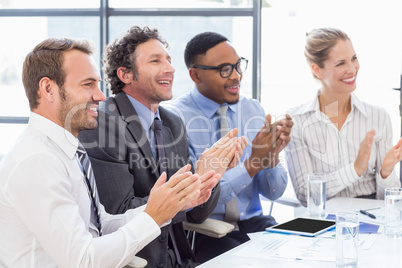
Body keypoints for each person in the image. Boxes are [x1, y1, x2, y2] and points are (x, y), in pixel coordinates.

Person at [0, 38, 212, 267]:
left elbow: (102, 224)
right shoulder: (37, 161)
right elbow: (83, 259)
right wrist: (152, 217)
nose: (100, 96)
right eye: (87, 84)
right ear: (48, 89)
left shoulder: (67, 150)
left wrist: (169, 205)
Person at [78, 26, 241, 268]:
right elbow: (119, 213)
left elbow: (196, 214)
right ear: (125, 74)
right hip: (140, 260)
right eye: (155, 61)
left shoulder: (172, 122)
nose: (170, 69)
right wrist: (186, 191)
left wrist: (210, 175)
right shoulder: (103, 124)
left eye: (169, 60)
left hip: (180, 259)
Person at [167, 31, 293, 263]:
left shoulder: (253, 109)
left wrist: (272, 157)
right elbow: (201, 199)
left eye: (238, 66)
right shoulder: (176, 119)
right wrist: (253, 163)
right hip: (205, 231)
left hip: (256, 223)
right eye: (225, 69)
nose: (236, 76)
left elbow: (273, 192)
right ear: (195, 75)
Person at [285, 28, 402, 207]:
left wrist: (386, 172)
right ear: (317, 70)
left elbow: (389, 203)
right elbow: (305, 195)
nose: (352, 69)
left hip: (370, 217)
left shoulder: (378, 116)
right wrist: (355, 169)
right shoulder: (297, 121)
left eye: (354, 58)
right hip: (322, 219)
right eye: (340, 64)